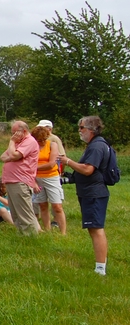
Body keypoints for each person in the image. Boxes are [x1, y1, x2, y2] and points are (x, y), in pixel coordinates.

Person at [60, 116, 112, 275]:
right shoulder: (94, 145)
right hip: (89, 193)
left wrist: (67, 161)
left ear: (91, 129)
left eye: (81, 127)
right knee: (93, 228)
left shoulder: (96, 147)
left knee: (96, 229)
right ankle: (101, 263)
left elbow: (88, 170)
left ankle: (100, 268)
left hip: (94, 194)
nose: (79, 131)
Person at [0, 121, 41, 235]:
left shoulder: (29, 142)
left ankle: (30, 237)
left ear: (23, 131)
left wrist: (12, 144)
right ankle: (22, 235)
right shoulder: (18, 143)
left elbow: (13, 155)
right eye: (12, 134)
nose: (12, 136)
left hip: (20, 181)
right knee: (16, 213)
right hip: (12, 180)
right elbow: (3, 156)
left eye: (14, 133)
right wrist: (12, 156)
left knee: (24, 213)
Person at [31, 125, 67, 234]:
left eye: (44, 139)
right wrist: (34, 182)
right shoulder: (32, 148)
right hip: (37, 178)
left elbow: (51, 164)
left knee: (57, 206)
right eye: (39, 140)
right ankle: (47, 229)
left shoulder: (52, 145)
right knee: (42, 205)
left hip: (51, 177)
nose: (42, 142)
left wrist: (34, 167)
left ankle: (63, 232)